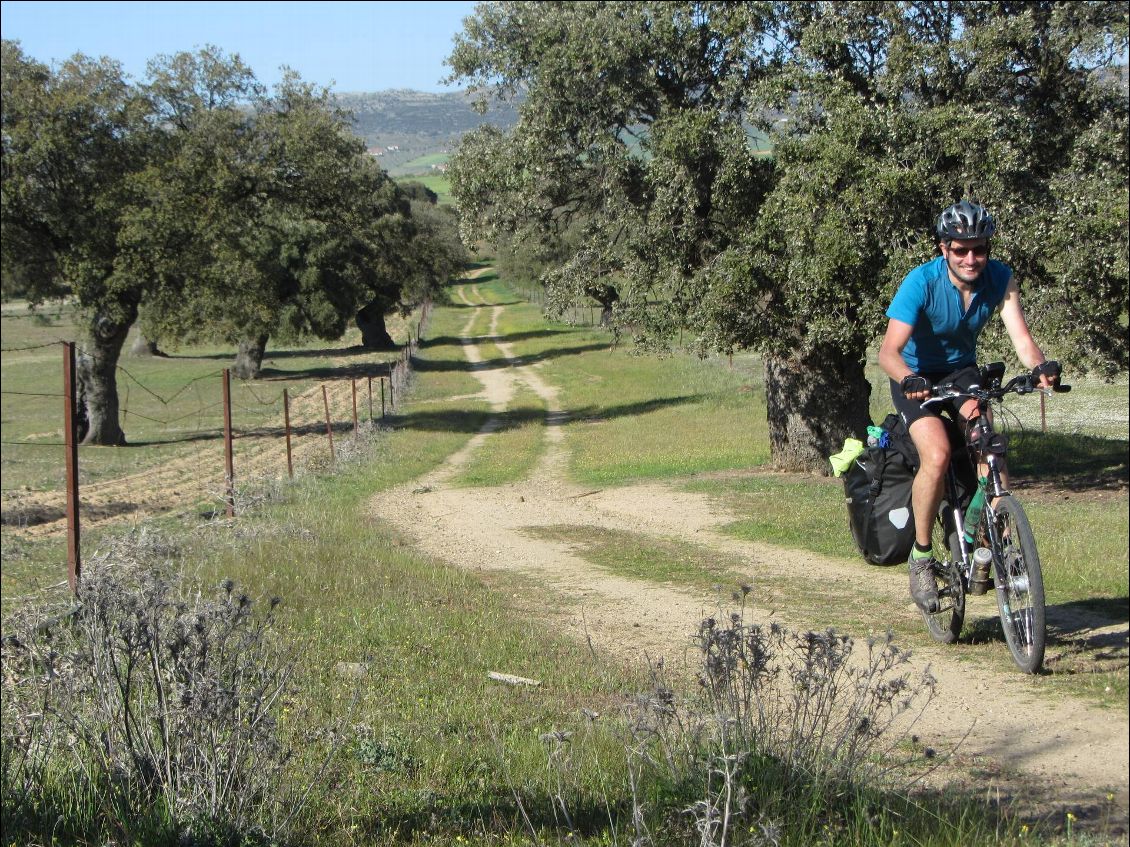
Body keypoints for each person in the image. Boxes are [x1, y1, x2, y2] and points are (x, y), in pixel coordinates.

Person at [878, 199, 1060, 613]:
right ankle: (922, 558)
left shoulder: (1000, 278)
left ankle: (998, 541)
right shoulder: (920, 283)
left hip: (961, 373)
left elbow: (1023, 339)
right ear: (944, 248)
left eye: (978, 248)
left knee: (988, 444)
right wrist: (909, 378)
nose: (970, 258)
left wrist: (1039, 366)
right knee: (938, 455)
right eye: (960, 249)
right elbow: (888, 352)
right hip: (915, 378)